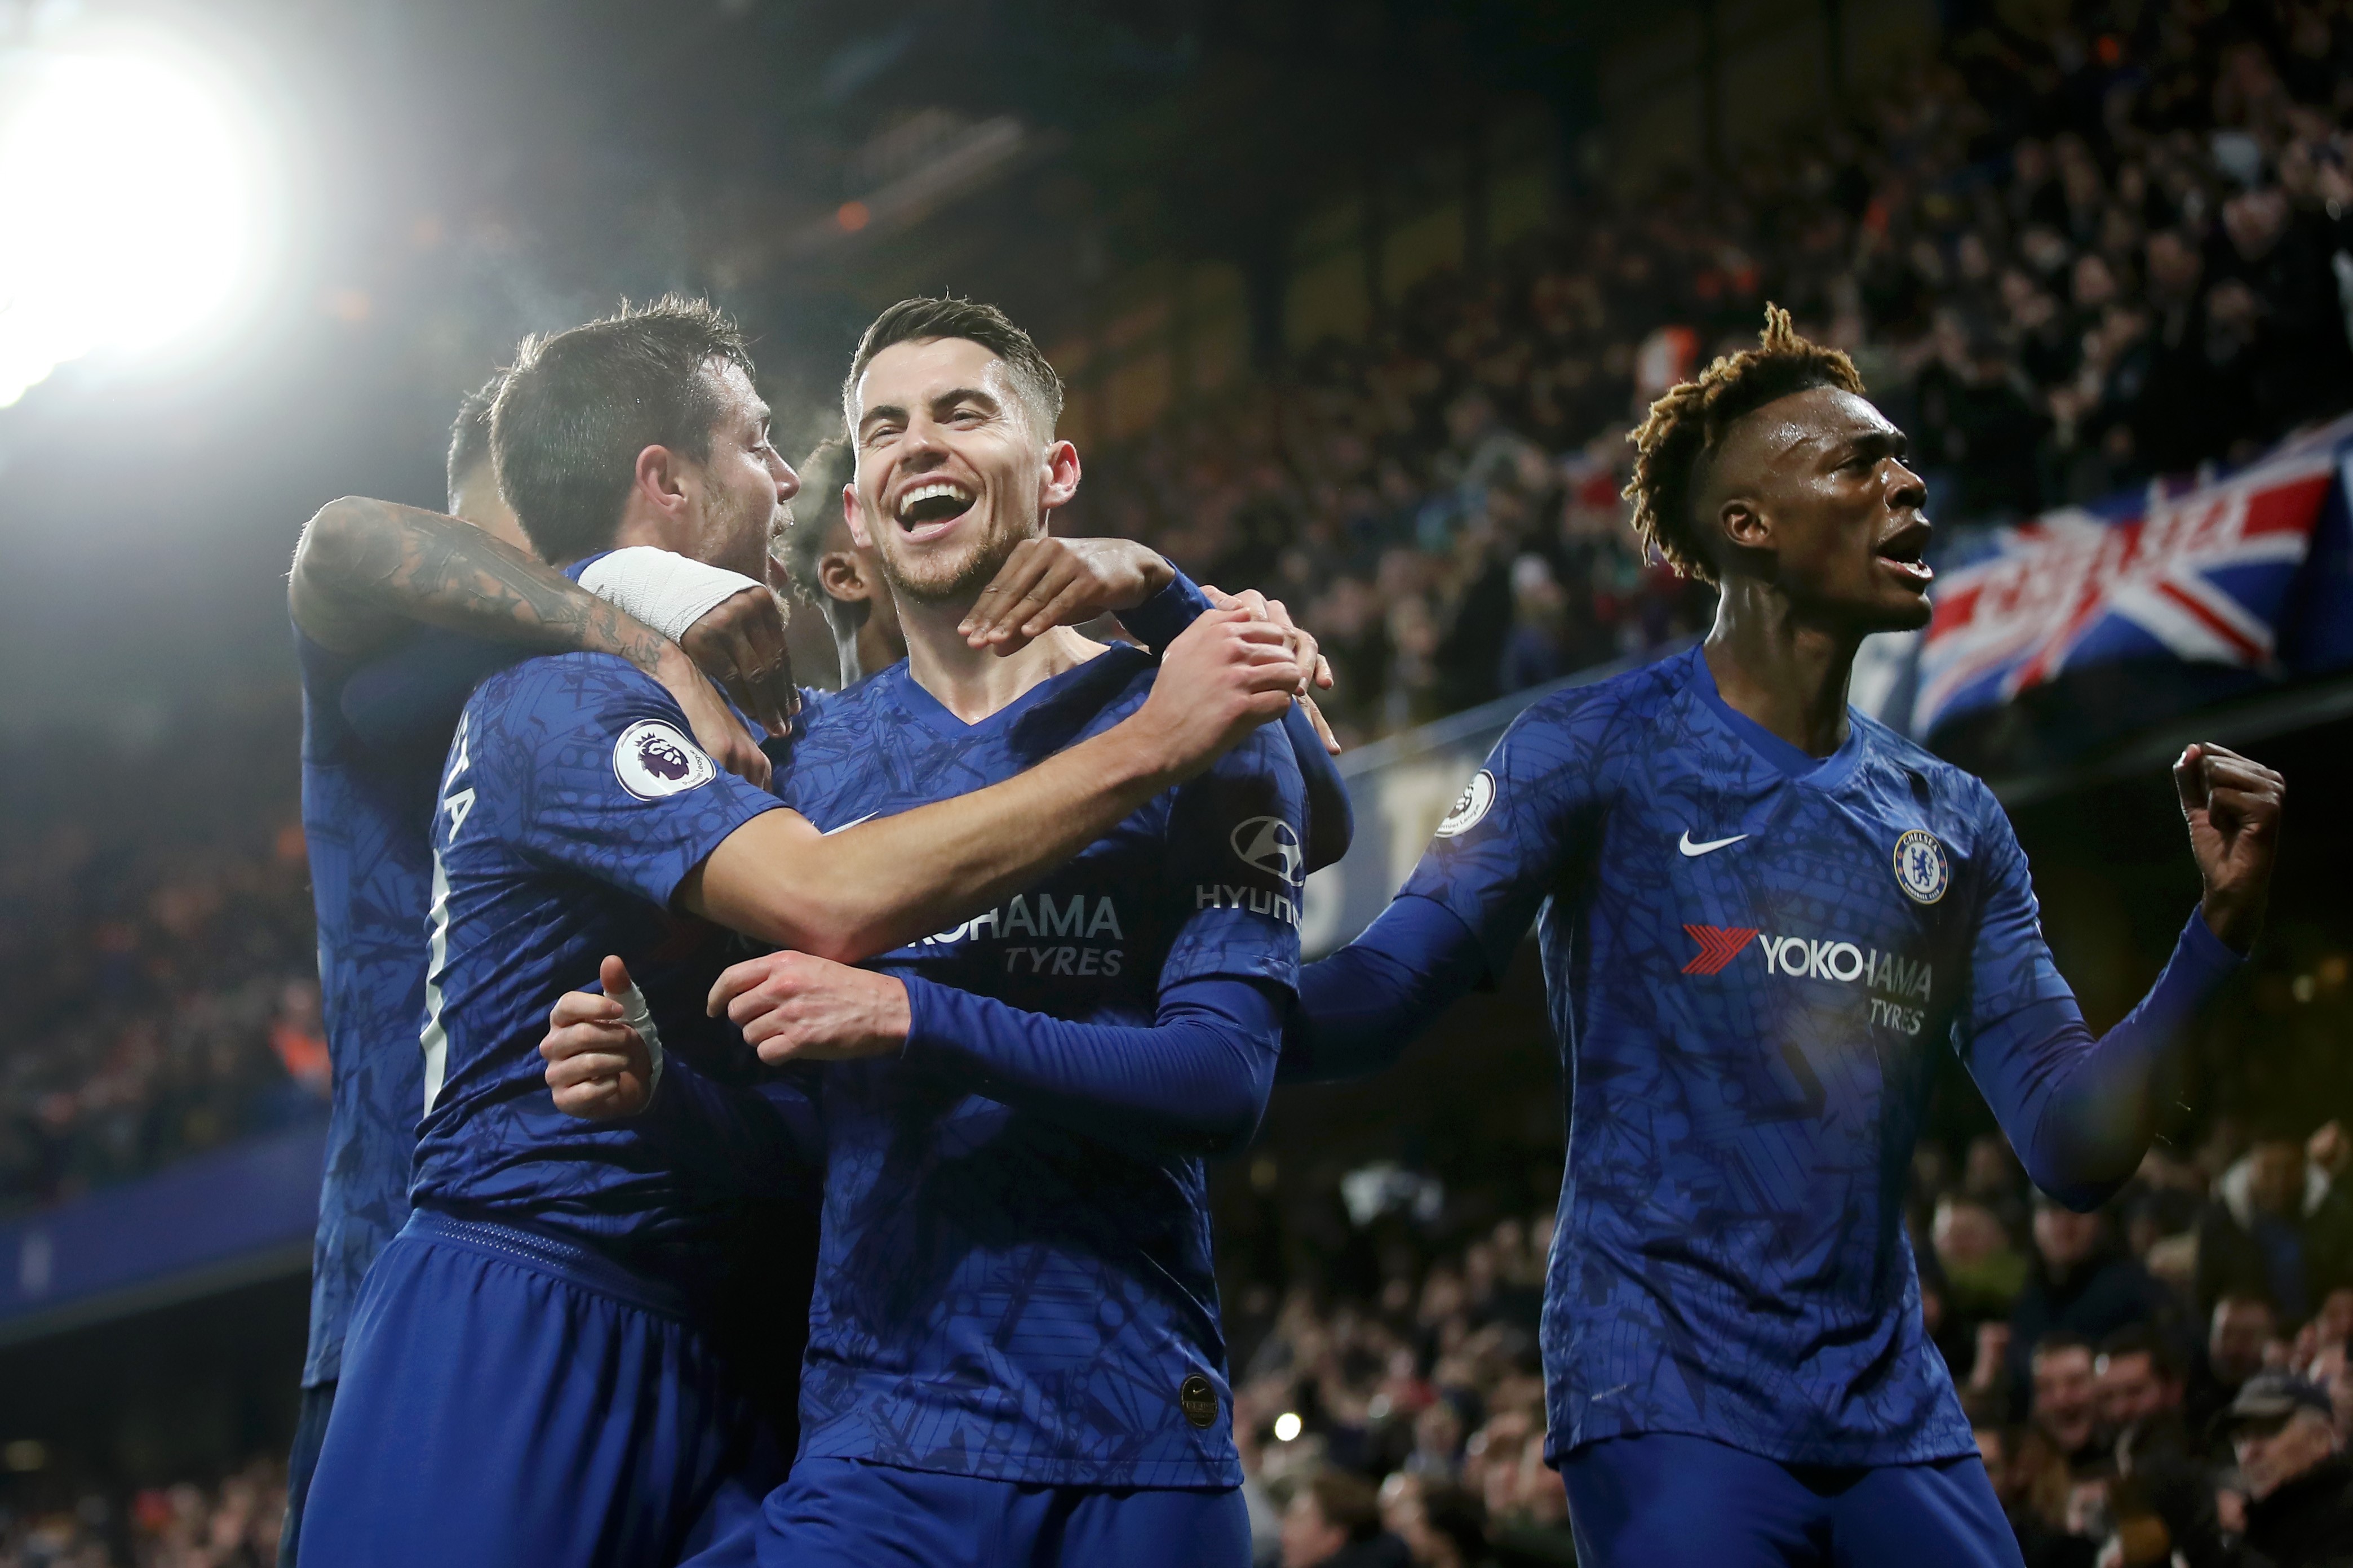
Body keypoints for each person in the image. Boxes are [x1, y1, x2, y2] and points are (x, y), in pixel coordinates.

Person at [292, 297, 1307, 1568]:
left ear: (1052, 470)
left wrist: (1178, 608)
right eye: (768, 441)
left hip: (764, 1328)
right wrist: (627, 620)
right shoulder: (549, 692)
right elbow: (336, 543)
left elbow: (1293, 821)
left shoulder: (777, 735)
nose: (792, 474)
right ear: (662, 481)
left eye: (953, 413)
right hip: (524, 1287)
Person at [1274, 308, 2285, 1566]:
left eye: (1902, 459)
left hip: (1887, 1408)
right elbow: (1377, 991)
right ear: (1743, 524)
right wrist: (1175, 981)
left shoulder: (1952, 821)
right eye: (1856, 463)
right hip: (1662, 1389)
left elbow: (2069, 1142)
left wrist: (2214, 936)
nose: (1905, 482)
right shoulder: (1591, 747)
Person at [278, 372, 800, 1565]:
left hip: (693, 1300)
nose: (564, 569)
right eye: (526, 547)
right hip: (427, 1296)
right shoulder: (403, 675)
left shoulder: (698, 704)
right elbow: (345, 538)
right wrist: (633, 626)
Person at [2225, 1373, 2353, 1566]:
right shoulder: (2245, 1528)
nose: (2248, 1453)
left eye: (2267, 1430)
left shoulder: (2345, 1517)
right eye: (2240, 1438)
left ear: (2320, 1438)